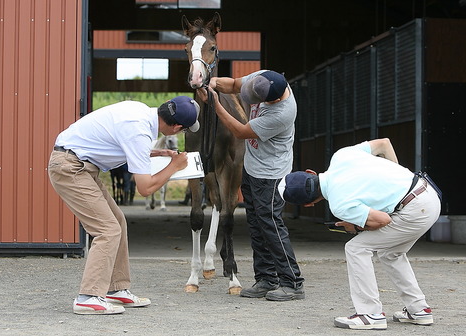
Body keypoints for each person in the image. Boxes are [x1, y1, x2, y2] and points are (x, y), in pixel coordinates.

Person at [48, 96, 200, 315]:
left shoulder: (139, 112)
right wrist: (174, 166)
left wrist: (160, 153)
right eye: (183, 130)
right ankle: (88, 297)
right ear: (176, 127)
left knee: (117, 221)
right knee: (107, 230)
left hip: (78, 164)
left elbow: (124, 142)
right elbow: (145, 189)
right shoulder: (139, 131)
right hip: (71, 168)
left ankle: (116, 289)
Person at [279, 138, 441, 330]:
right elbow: (384, 144)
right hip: (427, 193)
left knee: (356, 247)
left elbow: (383, 220)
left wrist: (355, 227)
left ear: (309, 204)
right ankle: (419, 309)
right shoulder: (341, 155)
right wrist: (398, 181)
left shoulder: (339, 205)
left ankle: (370, 313)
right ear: (310, 172)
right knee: (390, 253)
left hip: (414, 210)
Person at [197, 70, 305, 301]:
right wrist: (212, 83)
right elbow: (235, 84)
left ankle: (292, 282)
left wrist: (216, 105)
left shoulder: (283, 113)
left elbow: (241, 131)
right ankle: (266, 279)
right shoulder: (264, 79)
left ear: (272, 100)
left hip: (271, 174)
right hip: (252, 167)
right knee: (255, 225)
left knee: (271, 225)